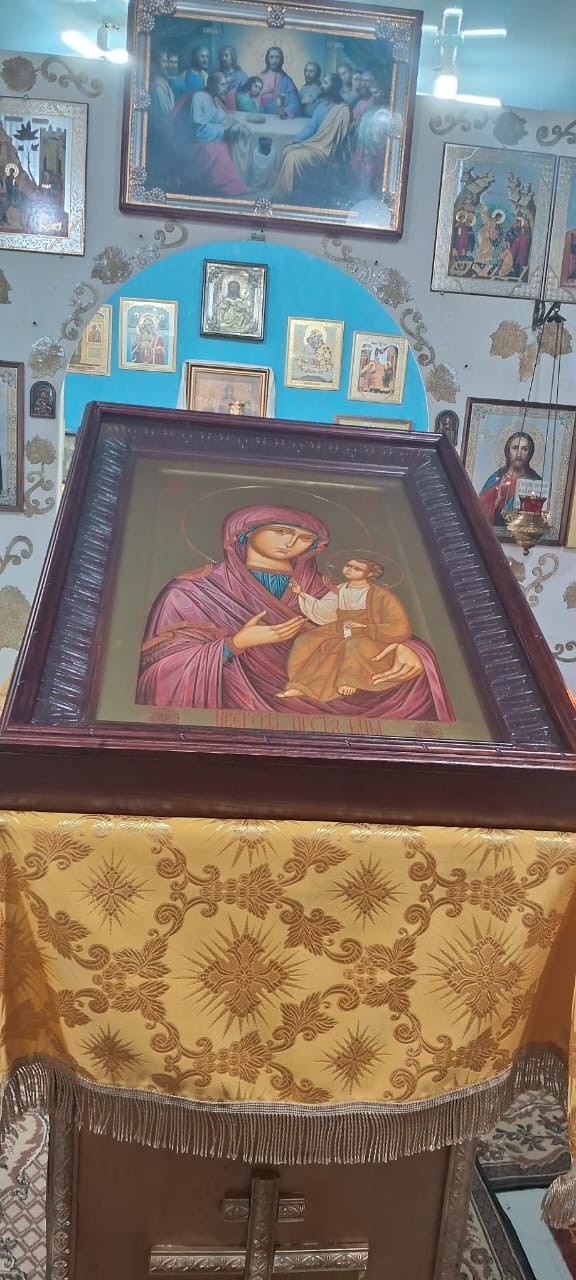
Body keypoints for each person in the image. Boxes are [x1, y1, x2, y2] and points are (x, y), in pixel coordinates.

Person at [136, 503, 454, 721]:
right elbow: (157, 676)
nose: (291, 543)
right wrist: (235, 644)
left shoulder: (329, 590)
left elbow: (376, 625)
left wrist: (414, 652)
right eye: (280, 531)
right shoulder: (192, 591)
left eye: (304, 539)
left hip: (337, 705)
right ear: (244, 533)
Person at [278, 557, 412, 700]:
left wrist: (366, 627)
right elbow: (326, 610)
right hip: (340, 629)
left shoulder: (382, 595)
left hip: (370, 635)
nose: (350, 570)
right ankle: (298, 685)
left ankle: (349, 680)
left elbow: (400, 627)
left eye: (357, 568)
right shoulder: (341, 588)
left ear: (370, 574)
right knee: (306, 640)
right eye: (348, 565)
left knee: (351, 645)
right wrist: (300, 593)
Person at [270, 73, 350, 201]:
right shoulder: (321, 107)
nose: (322, 85)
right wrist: (294, 140)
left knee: (292, 157)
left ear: (334, 87)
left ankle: (282, 196)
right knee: (286, 150)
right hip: (315, 145)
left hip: (326, 151)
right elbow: (311, 128)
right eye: (322, 82)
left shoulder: (343, 110)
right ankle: (284, 191)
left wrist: (334, 154)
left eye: (325, 83)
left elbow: (341, 137)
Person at [189, 72, 249, 197]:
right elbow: (199, 130)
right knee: (220, 150)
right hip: (198, 142)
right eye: (222, 85)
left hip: (212, 137)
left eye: (226, 84)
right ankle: (230, 188)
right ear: (212, 84)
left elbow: (222, 119)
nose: (225, 88)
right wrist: (223, 130)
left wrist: (234, 125)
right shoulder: (199, 97)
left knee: (236, 142)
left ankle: (242, 183)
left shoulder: (214, 98)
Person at [478, 432, 542, 528]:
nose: (519, 454)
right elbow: (478, 514)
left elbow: (539, 517)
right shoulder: (496, 479)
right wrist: (499, 499)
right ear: (508, 451)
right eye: (515, 448)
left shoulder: (535, 481)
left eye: (524, 449)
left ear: (530, 453)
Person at [259, 47, 300, 118]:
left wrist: (285, 112)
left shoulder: (287, 81)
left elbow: (294, 102)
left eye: (277, 57)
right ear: (267, 59)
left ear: (281, 60)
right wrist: (262, 92)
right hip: (261, 117)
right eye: (271, 57)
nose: (274, 61)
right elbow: (251, 98)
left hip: (279, 120)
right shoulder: (259, 78)